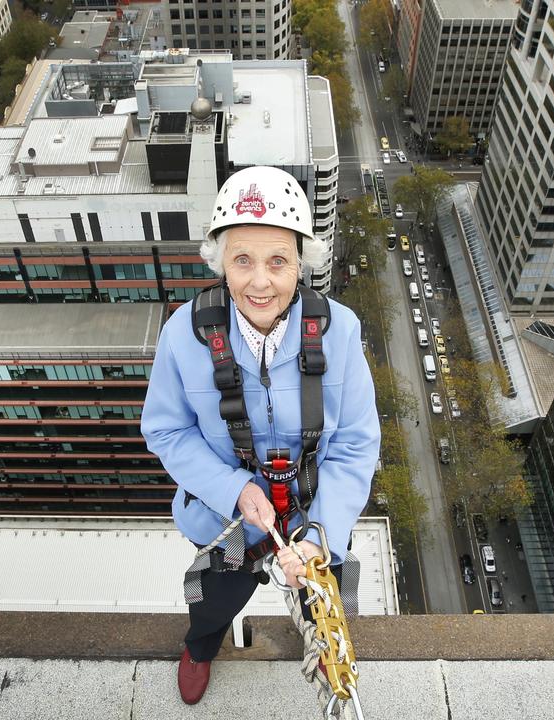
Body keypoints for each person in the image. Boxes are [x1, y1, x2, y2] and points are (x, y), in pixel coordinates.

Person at [142, 166, 380, 706]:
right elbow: (167, 428)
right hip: (227, 520)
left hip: (314, 514)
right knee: (213, 601)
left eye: (278, 261)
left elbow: (356, 442)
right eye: (242, 259)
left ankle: (324, 655)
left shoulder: (339, 331)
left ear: (301, 265)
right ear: (220, 262)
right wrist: (234, 490)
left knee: (327, 612)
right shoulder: (187, 333)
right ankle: (201, 646)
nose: (259, 282)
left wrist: (319, 541)